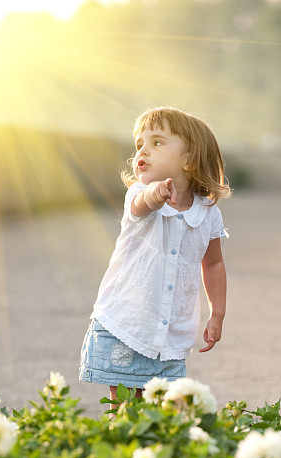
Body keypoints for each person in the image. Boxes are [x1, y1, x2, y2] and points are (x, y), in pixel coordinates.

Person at [78, 106, 231, 411]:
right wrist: (156, 193)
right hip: (127, 326)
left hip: (172, 338)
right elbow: (141, 205)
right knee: (126, 413)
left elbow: (212, 263)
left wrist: (217, 313)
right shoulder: (139, 193)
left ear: (189, 159)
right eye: (139, 145)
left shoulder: (208, 213)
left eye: (157, 143)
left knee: (167, 415)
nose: (143, 150)